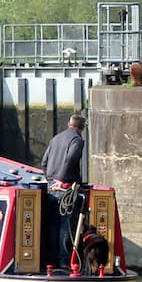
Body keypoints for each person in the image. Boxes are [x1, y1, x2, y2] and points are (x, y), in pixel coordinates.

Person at [41, 114, 87, 268]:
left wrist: (51, 180)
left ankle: (50, 260)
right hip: (65, 188)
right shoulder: (77, 140)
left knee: (52, 224)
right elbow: (71, 159)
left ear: (69, 124)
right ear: (82, 128)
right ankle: (64, 261)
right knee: (66, 225)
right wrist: (61, 181)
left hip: (51, 186)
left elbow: (44, 162)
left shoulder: (55, 138)